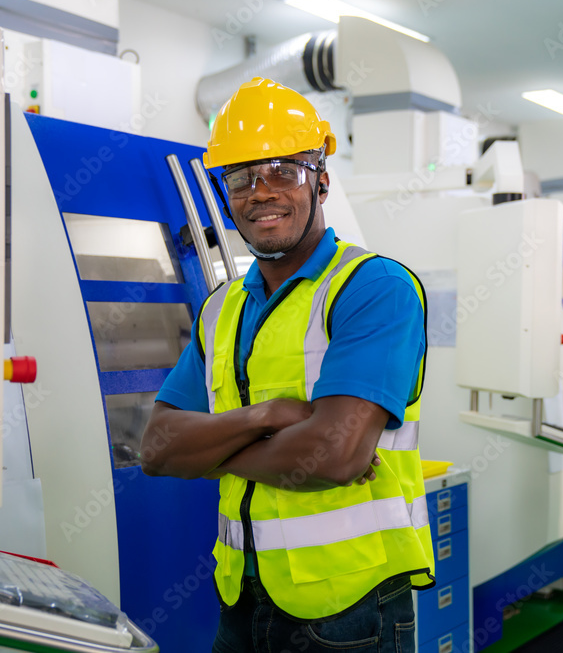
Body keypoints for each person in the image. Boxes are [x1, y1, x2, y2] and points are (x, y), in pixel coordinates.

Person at [139, 77, 434, 653]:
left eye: (284, 172)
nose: (260, 192)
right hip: (240, 596)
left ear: (321, 182)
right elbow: (155, 448)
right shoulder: (220, 308)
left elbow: (336, 454)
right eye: (242, 177)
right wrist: (269, 415)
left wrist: (211, 453)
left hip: (351, 609)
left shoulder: (373, 288)